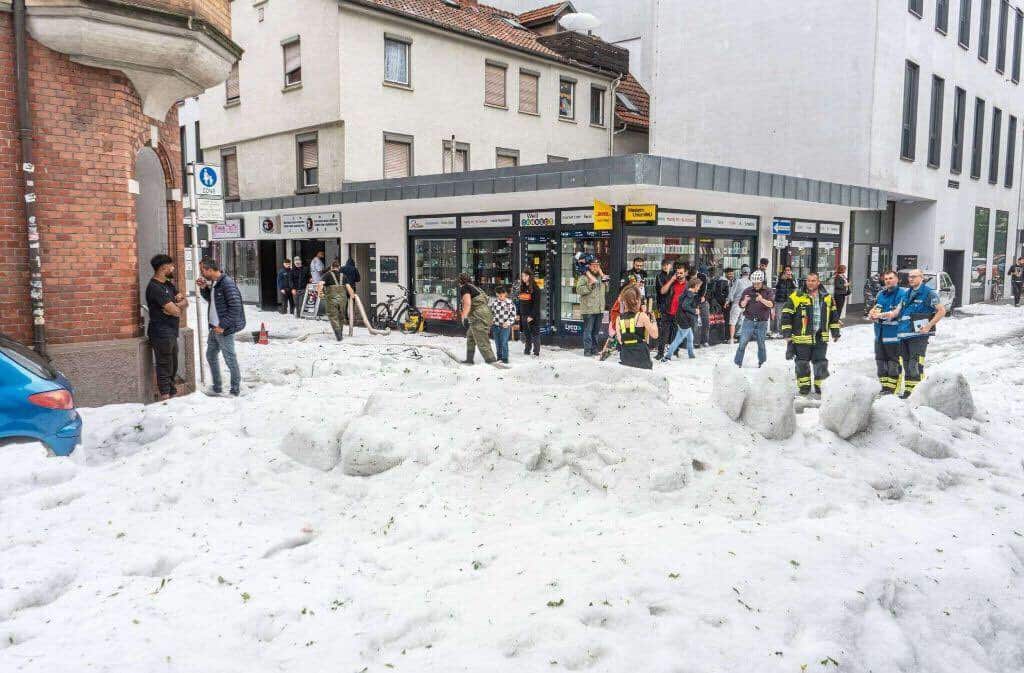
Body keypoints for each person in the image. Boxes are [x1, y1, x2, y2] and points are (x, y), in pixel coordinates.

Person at [780, 271, 841, 396]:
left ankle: (821, 386)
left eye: (813, 280)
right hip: (802, 337)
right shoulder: (796, 296)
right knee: (802, 363)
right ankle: (804, 387)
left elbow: (834, 317)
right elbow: (786, 314)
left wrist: (835, 332)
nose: (810, 283)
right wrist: (786, 333)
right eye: (808, 280)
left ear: (818, 282)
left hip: (820, 336)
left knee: (820, 362)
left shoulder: (827, 297)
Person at [196, 257, 245, 397]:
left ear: (210, 270)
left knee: (230, 358)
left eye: (203, 270)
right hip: (214, 328)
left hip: (223, 329)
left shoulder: (226, 283)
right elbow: (213, 301)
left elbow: (235, 308)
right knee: (210, 355)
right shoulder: (216, 283)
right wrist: (204, 288)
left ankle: (235, 390)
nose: (202, 273)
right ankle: (217, 387)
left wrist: (223, 326)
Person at [897, 268, 947, 398]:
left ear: (921, 277)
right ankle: (909, 391)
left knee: (915, 364)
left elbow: (941, 311)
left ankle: (919, 394)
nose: (911, 279)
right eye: (909, 276)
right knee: (906, 364)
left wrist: (929, 326)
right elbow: (901, 312)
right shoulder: (907, 293)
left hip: (919, 336)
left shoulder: (928, 293)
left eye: (914, 276)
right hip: (904, 334)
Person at [146, 254, 187, 401]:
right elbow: (176, 310)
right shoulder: (154, 287)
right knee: (164, 364)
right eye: (171, 265)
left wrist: (176, 307)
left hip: (170, 331)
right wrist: (176, 308)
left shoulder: (168, 285)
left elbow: (184, 303)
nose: (173, 268)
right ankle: (165, 397)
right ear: (163, 268)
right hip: (160, 332)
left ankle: (171, 392)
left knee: (173, 364)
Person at [868, 270, 907, 396]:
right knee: (880, 362)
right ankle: (884, 387)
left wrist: (878, 316)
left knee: (893, 364)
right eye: (886, 279)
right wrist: (871, 313)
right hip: (879, 335)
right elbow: (875, 309)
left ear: (897, 279)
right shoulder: (881, 294)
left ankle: (892, 390)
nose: (888, 281)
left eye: (891, 278)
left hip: (894, 336)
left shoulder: (903, 294)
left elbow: (894, 314)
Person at [733, 270, 773, 368]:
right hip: (749, 320)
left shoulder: (768, 291)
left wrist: (762, 299)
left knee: (761, 343)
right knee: (743, 342)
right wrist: (745, 301)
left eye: (758, 284)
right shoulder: (747, 290)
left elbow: (771, 304)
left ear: (762, 281)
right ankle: (738, 363)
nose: (755, 285)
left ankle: (762, 362)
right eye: (754, 283)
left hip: (762, 322)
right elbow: (741, 306)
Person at [615, 285, 658, 369]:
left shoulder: (619, 318)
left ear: (624, 302)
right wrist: (654, 320)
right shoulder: (642, 316)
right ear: (637, 301)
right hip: (641, 355)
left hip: (626, 355)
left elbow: (620, 340)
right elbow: (655, 335)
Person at [458, 272, 497, 365]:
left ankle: (492, 362)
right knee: (470, 335)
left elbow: (467, 303)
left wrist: (463, 316)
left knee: (481, 339)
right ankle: (469, 359)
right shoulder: (475, 287)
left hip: (478, 316)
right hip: (485, 313)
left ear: (460, 281)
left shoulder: (465, 288)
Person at [661, 274, 701, 361]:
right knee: (678, 340)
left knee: (690, 338)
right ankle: (667, 356)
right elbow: (684, 306)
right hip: (685, 321)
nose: (699, 288)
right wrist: (695, 311)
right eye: (699, 286)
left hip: (681, 319)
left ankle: (691, 355)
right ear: (696, 286)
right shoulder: (690, 295)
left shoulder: (686, 292)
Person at [575, 255, 608, 356]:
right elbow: (579, 290)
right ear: (589, 266)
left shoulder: (601, 277)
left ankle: (594, 349)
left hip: (599, 309)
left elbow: (606, 290)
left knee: (596, 332)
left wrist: (605, 282)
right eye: (593, 265)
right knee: (588, 331)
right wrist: (590, 285)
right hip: (588, 309)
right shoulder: (584, 277)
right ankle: (587, 350)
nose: (595, 268)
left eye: (597, 266)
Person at [321, 259, 354, 341]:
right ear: (339, 267)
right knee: (341, 316)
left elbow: (320, 284)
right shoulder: (343, 276)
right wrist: (352, 296)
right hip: (343, 299)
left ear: (331, 267)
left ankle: (338, 335)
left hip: (331, 299)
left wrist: (320, 293)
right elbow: (348, 287)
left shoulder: (327, 275)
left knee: (333, 316)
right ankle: (340, 332)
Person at [654, 258, 676, 359]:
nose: (666, 267)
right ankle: (660, 352)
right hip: (664, 306)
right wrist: (671, 280)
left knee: (675, 329)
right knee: (664, 330)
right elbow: (662, 291)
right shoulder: (659, 276)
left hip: (675, 306)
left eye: (668, 265)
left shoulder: (674, 275)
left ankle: (674, 351)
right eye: (664, 265)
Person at [516, 269, 542, 356]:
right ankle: (527, 350)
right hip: (523, 315)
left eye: (525, 276)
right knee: (526, 334)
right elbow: (520, 302)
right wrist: (518, 313)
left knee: (535, 333)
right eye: (522, 276)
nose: (523, 278)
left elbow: (536, 305)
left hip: (532, 316)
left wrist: (531, 316)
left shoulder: (535, 288)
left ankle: (536, 352)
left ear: (530, 277)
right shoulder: (522, 288)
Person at [490, 285, 517, 365]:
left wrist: (508, 322)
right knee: (498, 343)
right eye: (499, 295)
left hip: (505, 327)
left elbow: (513, 315)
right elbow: (491, 314)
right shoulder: (494, 303)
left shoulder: (510, 303)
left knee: (504, 342)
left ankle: (505, 359)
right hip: (496, 326)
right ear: (496, 294)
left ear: (505, 294)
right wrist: (491, 320)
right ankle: (499, 357)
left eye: (502, 294)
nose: (500, 296)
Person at [728, 267, 752, 343]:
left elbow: (732, 292)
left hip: (737, 304)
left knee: (733, 321)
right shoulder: (750, 283)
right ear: (749, 273)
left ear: (741, 273)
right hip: (746, 305)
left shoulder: (738, 281)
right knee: (742, 321)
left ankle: (731, 338)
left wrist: (728, 301)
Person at [772, 266, 797, 337]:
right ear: (783, 271)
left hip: (788, 300)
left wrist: (791, 280)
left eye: (789, 270)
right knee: (779, 316)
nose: (787, 272)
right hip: (779, 300)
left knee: (787, 317)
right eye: (786, 270)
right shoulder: (779, 278)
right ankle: (777, 331)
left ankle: (785, 332)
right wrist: (781, 280)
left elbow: (795, 288)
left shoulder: (792, 279)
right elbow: (775, 287)